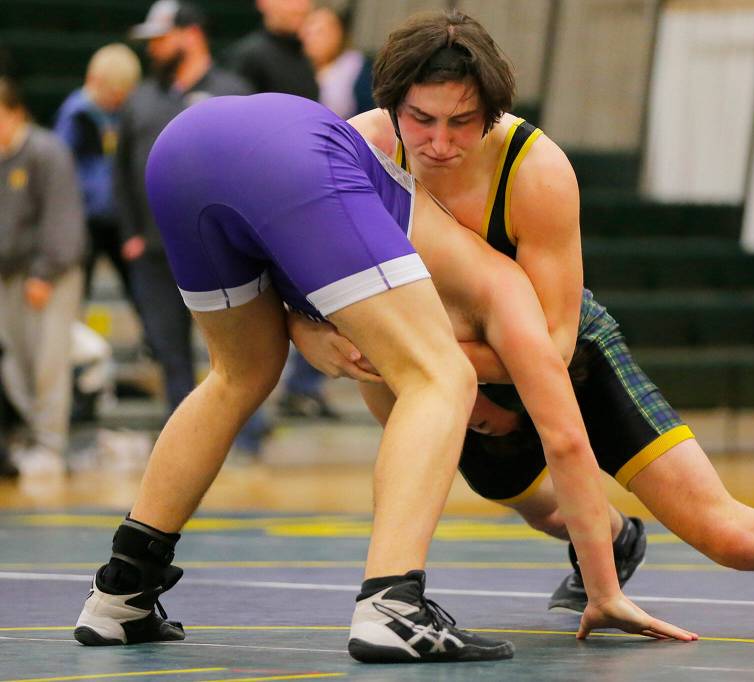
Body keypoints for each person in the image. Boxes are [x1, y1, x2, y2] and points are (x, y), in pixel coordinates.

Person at [292, 9, 754, 636]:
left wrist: (422, 359)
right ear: (390, 105)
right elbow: (294, 290)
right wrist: (323, 338)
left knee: (725, 532)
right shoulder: (359, 151)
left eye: (462, 123)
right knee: (539, 507)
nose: (441, 143)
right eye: (422, 120)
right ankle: (616, 537)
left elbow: (554, 344)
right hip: (443, 366)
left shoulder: (534, 171)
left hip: (562, 356)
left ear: (494, 113)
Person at [72, 92, 693, 663]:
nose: (473, 427)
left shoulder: (386, 266)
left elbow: (288, 249)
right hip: (285, 154)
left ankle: (122, 592)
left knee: (238, 374)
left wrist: (309, 330)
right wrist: (604, 591)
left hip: (183, 148)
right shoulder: (505, 289)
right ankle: (392, 604)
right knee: (442, 376)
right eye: (484, 421)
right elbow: (564, 439)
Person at [118, 1, 250, 414]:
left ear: (191, 35)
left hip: (221, 248)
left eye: (161, 39)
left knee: (238, 350)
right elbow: (120, 169)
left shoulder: (233, 90)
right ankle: (184, 433)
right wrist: (130, 234)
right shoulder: (141, 98)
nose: (152, 48)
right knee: (169, 351)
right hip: (156, 250)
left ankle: (245, 434)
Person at [227, 0, 339, 424]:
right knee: (256, 316)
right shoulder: (248, 56)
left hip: (304, 194)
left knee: (326, 295)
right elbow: (239, 130)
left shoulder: (302, 58)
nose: (299, 5)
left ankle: (302, 389)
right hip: (263, 200)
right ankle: (250, 420)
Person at [0, 77, 87, 476]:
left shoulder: (45, 151)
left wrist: (44, 274)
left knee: (48, 361)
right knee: (15, 363)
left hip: (48, 276)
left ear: (16, 112)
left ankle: (51, 445)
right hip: (8, 275)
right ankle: (29, 437)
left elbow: (62, 218)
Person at [54, 43, 142, 301]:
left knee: (140, 291)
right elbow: (62, 167)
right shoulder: (76, 114)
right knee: (77, 292)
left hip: (121, 218)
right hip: (85, 220)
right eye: (113, 94)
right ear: (95, 81)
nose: (116, 101)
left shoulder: (129, 114)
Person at [299, 0, 373, 120]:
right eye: (309, 32)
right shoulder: (296, 67)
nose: (313, 39)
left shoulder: (358, 68)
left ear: (339, 33)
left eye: (320, 32)